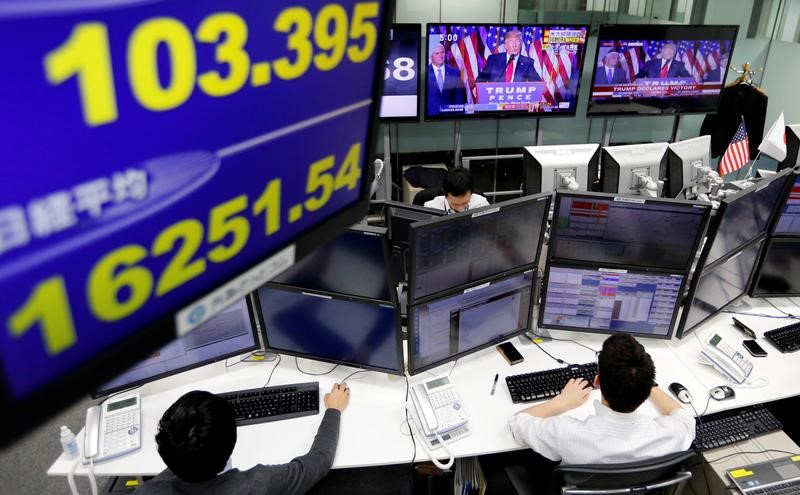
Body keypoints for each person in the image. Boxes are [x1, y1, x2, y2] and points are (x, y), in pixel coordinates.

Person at [508, 333, 695, 465]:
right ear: (647, 391)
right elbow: (685, 419)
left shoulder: (566, 434)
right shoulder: (671, 434)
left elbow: (517, 424)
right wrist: (644, 381)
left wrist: (562, 401)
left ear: (597, 381)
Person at [135, 383, 350, 494]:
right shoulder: (257, 484)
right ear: (233, 438)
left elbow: (181, 453)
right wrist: (333, 410)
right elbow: (319, 460)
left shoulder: (146, 491)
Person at [474, 29, 540, 99]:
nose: (514, 45)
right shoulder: (493, 59)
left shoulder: (527, 62)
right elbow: (482, 78)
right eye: (511, 41)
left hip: (516, 100)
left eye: (517, 41)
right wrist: (476, 87)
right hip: (495, 99)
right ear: (505, 46)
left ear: (520, 45)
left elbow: (537, 83)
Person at [423, 168, 490, 214]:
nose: (460, 209)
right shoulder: (431, 209)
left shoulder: (481, 204)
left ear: (471, 193)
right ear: (444, 193)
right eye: (455, 204)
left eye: (465, 203)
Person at [427, 43, 465, 115]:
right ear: (431, 56)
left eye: (442, 52)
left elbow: (458, 99)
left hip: (449, 118)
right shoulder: (425, 72)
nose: (440, 56)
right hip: (429, 118)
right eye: (437, 53)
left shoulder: (454, 72)